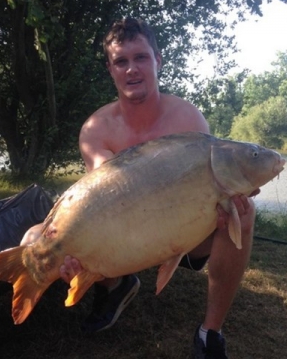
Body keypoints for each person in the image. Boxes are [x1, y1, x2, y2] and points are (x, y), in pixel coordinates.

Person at [21, 18, 258, 359]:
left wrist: (231, 198)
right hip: (123, 233)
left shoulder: (188, 120)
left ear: (157, 60)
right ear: (111, 69)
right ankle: (115, 284)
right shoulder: (96, 127)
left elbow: (209, 188)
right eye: (121, 61)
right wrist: (70, 242)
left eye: (140, 58)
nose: (132, 69)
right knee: (33, 240)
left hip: (185, 230)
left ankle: (210, 333)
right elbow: (102, 201)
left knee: (245, 214)